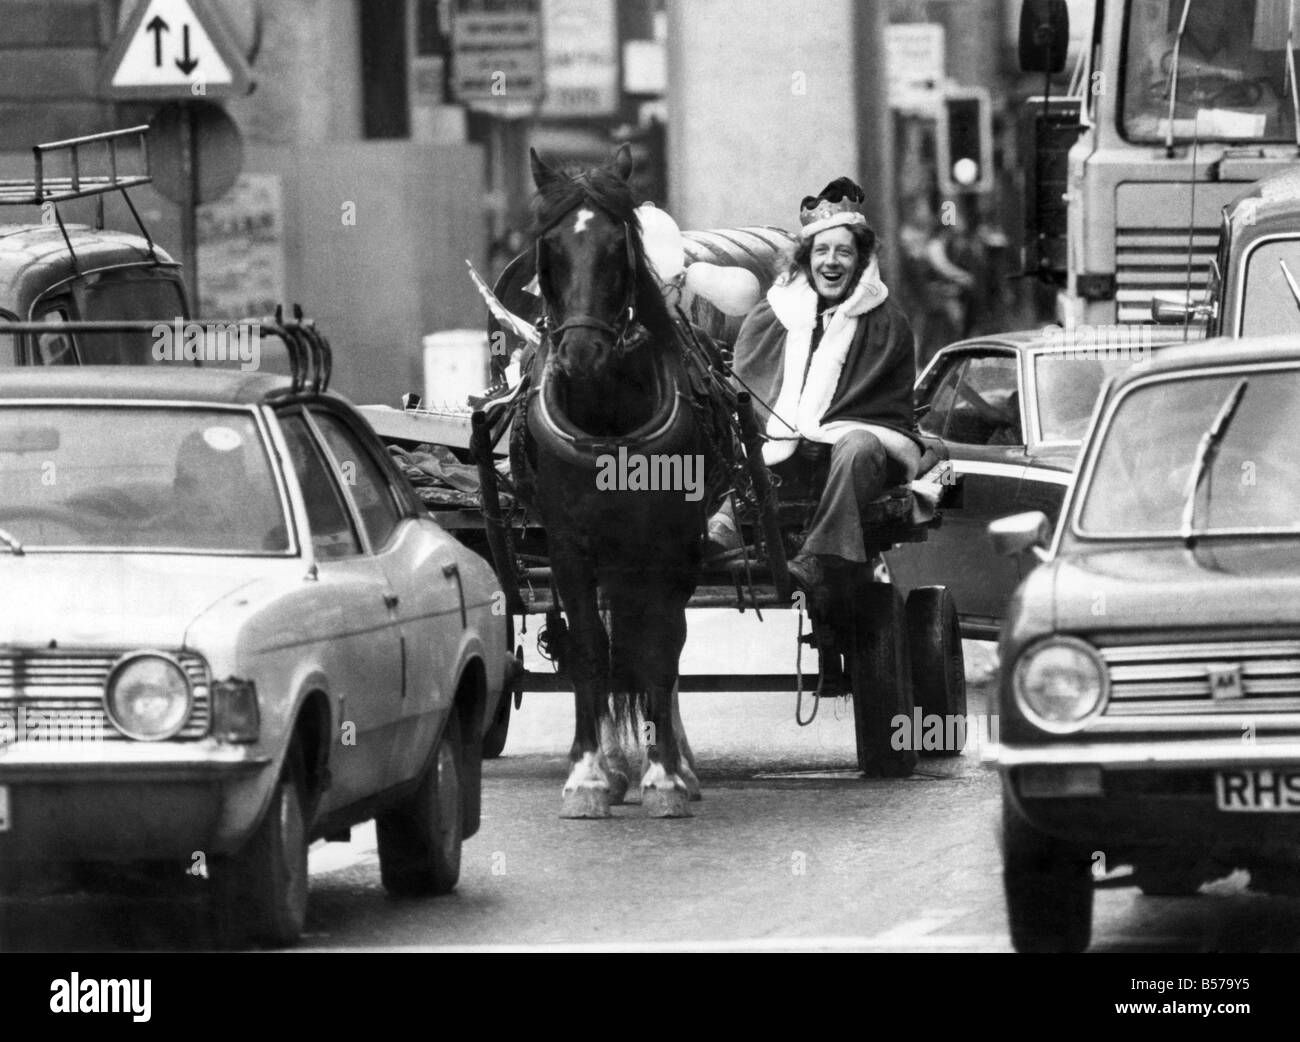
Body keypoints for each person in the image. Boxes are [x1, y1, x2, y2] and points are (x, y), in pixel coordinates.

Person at [707, 177, 924, 597]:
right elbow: (751, 390)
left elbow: (885, 408)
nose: (832, 261)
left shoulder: (887, 322)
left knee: (859, 445)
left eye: (844, 252)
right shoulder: (775, 313)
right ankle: (723, 526)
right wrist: (776, 427)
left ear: (860, 259)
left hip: (850, 462)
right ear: (807, 260)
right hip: (784, 456)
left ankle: (820, 554)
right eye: (822, 251)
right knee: (742, 438)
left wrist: (824, 432)